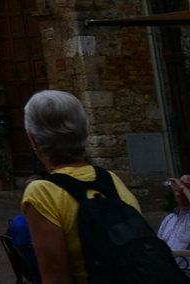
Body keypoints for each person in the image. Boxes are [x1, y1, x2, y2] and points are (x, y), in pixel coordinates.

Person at [21, 88, 177, 284]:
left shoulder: (42, 192)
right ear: (85, 130)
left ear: (33, 139)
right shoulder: (112, 180)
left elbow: (56, 279)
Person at [159, 174, 190, 274]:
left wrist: (184, 188)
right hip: (167, 272)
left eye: (187, 184)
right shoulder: (169, 218)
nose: (179, 186)